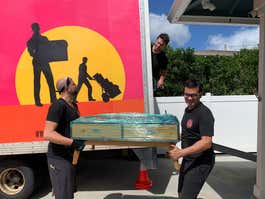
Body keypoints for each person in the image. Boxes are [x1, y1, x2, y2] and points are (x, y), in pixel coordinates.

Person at [169, 79, 215, 199]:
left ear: (200, 94)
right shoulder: (188, 110)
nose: (189, 98)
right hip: (189, 159)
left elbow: (207, 142)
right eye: (187, 94)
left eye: (193, 95)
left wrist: (181, 153)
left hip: (201, 161)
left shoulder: (204, 113)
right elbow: (189, 133)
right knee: (180, 193)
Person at [43, 77, 85, 199]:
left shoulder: (73, 106)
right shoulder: (58, 106)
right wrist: (72, 142)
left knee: (68, 194)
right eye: (73, 84)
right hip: (59, 159)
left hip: (70, 157)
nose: (76, 85)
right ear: (66, 88)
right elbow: (48, 133)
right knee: (63, 196)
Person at [27, 23, 56, 106]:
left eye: (37, 28)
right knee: (38, 81)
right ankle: (39, 101)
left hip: (42, 61)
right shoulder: (32, 41)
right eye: (35, 28)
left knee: (48, 81)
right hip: (38, 62)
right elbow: (31, 53)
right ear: (34, 29)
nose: (37, 29)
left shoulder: (42, 39)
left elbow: (50, 49)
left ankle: (52, 100)